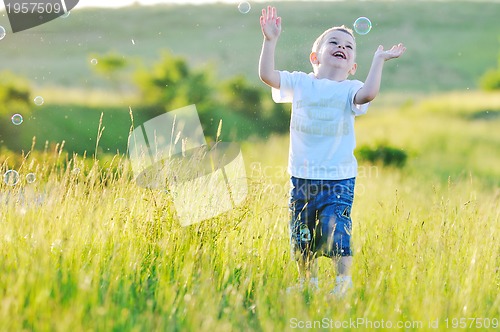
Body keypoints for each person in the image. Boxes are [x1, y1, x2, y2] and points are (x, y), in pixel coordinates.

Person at [258, 6, 406, 296]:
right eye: (334, 43)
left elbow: (369, 94)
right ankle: (306, 282)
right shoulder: (300, 83)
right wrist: (269, 41)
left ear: (352, 66)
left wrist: (378, 60)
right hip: (301, 177)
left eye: (349, 46)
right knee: (302, 233)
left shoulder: (351, 88)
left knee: (336, 228)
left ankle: (342, 283)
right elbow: (266, 76)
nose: (342, 47)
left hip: (338, 178)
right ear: (315, 57)